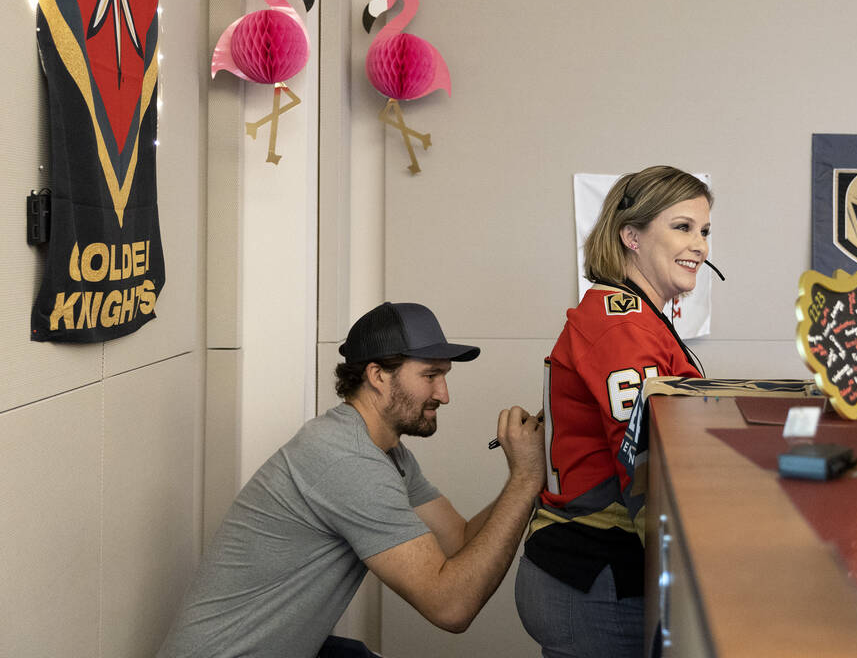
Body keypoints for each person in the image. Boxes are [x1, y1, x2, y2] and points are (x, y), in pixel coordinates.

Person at [158, 302, 546, 658]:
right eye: (430, 375)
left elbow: (459, 540)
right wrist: (526, 480)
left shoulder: (387, 454)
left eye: (444, 376)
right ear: (377, 375)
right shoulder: (347, 460)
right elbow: (451, 607)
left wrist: (524, 473)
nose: (444, 395)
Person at [515, 166, 712, 658]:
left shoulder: (638, 319)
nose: (701, 246)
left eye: (705, 231)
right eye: (682, 227)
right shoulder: (620, 324)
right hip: (595, 575)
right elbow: (646, 463)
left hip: (598, 573)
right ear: (631, 236)